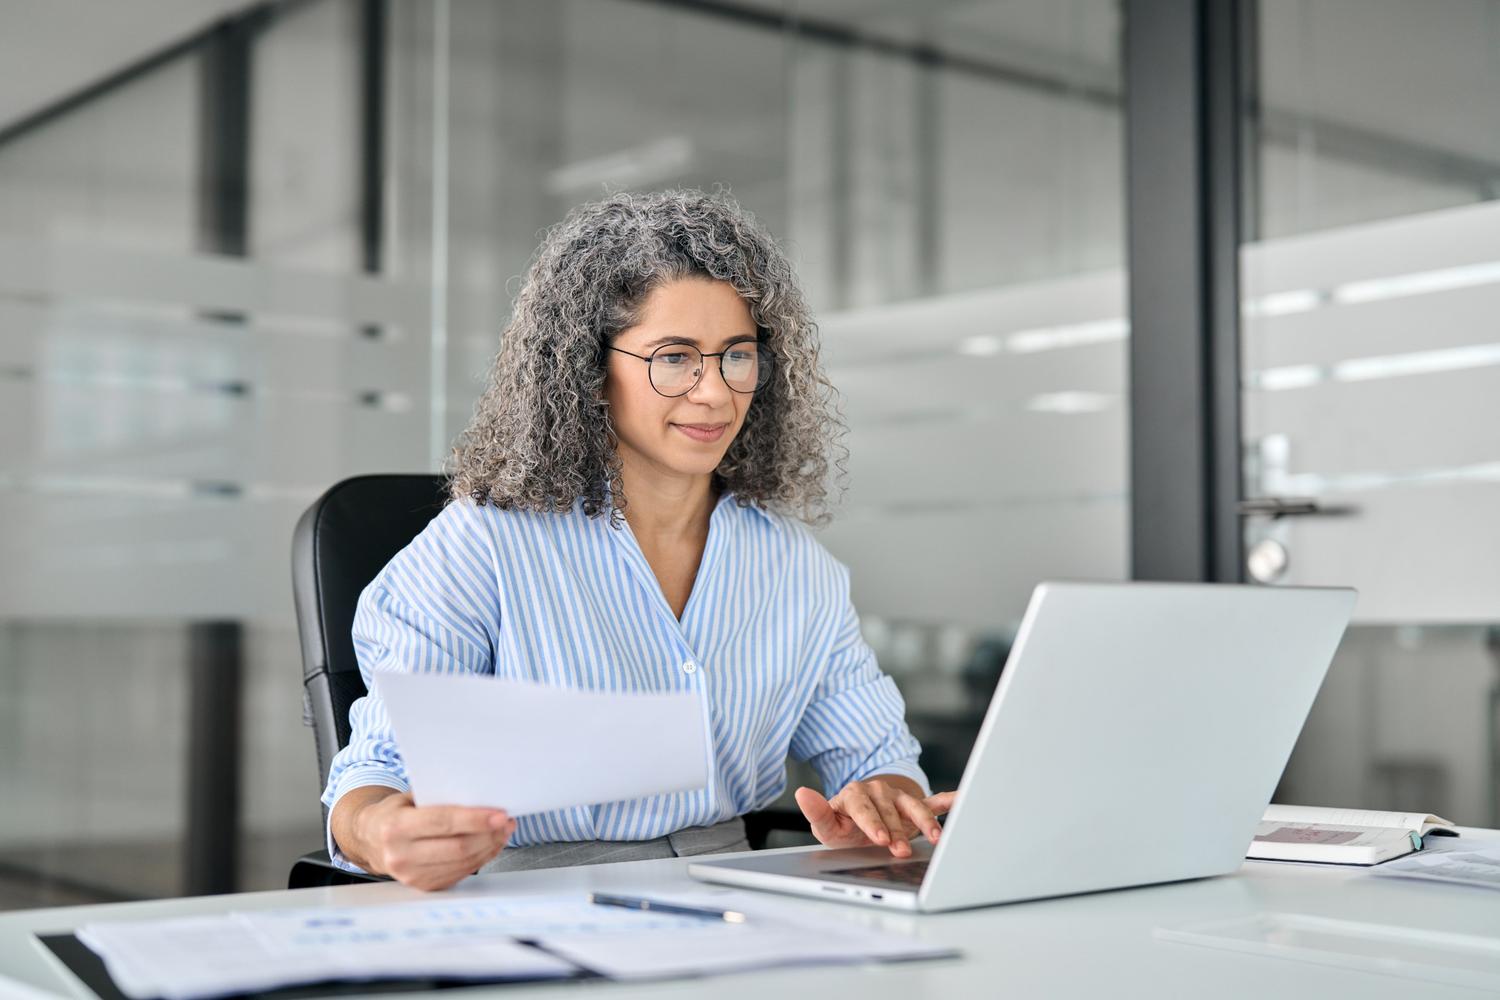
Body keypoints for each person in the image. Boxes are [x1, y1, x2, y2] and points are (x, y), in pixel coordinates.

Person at [323, 189, 954, 891]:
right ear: (590, 372)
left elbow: (876, 756)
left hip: (740, 899)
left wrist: (887, 800)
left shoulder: (796, 569)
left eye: (736, 356)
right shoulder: (482, 547)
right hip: (532, 905)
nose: (715, 392)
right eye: (675, 357)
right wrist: (381, 833)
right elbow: (372, 777)